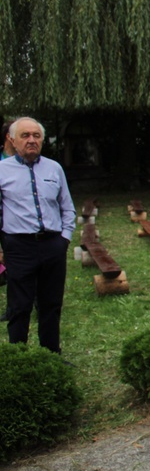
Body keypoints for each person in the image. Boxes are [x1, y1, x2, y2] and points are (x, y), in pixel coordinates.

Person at [0, 117, 75, 354]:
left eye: (36, 136)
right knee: (19, 306)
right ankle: (18, 358)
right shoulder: (2, 170)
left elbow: (67, 207)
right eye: (25, 136)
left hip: (53, 244)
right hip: (18, 246)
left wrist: (65, 238)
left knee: (51, 304)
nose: (31, 140)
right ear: (12, 139)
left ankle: (51, 356)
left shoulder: (54, 168)